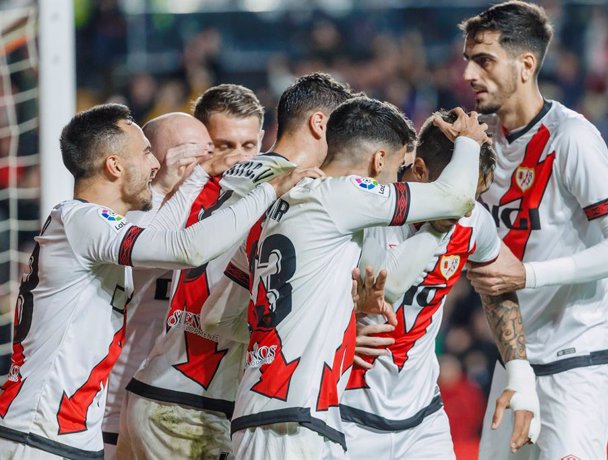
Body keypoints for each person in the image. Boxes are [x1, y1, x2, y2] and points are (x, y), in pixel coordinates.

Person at [0, 103, 316, 459]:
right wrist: (269, 191)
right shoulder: (82, 221)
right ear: (114, 165)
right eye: (147, 153)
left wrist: (191, 181)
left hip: (67, 433)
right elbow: (186, 248)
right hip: (37, 435)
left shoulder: (91, 229)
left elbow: (159, 235)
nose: (155, 165)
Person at [231, 97, 488, 459]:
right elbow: (456, 198)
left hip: (270, 405)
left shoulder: (285, 199)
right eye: (399, 166)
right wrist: (469, 142)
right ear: (379, 160)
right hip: (294, 416)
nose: (398, 179)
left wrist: (349, 320)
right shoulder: (344, 197)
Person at [118, 75, 356, 459]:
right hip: (186, 402)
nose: (237, 157)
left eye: (248, 145)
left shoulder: (217, 189)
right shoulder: (284, 192)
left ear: (264, 136)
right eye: (223, 146)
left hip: (172, 393)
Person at [458, 2, 608, 458]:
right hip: (516, 357)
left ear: (526, 65)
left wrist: (529, 276)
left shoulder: (571, 137)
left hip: (577, 351)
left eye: (483, 60)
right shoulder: (480, 146)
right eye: (467, 59)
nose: (468, 73)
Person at [341, 110, 539, 459]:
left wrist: (520, 373)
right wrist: (337, 333)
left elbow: (497, 284)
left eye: (473, 197)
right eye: (460, 195)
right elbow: (391, 284)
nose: (467, 208)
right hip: (348, 416)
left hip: (424, 422)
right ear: (419, 170)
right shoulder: (370, 208)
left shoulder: (472, 220)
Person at [101, 112, 214, 457]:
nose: (205, 163)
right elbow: (148, 249)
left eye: (209, 151)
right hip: (118, 408)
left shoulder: (223, 214)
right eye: (191, 154)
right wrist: (167, 186)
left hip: (193, 407)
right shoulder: (128, 217)